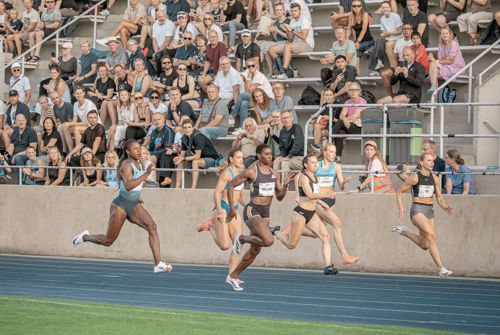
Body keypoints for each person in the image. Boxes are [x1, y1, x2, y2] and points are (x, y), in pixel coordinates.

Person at [72, 139, 173, 274]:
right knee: (108, 241)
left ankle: (158, 264)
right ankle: (85, 237)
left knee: (152, 227)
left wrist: (137, 196)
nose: (139, 151)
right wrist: (146, 174)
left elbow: (131, 187)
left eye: (140, 148)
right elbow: (128, 185)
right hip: (121, 206)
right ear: (127, 151)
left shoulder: (139, 163)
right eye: (135, 149)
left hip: (134, 204)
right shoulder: (127, 165)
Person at [225, 144, 293, 291]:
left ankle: (233, 276)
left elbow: (279, 197)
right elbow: (230, 185)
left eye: (270, 154)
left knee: (255, 251)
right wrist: (231, 209)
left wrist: (286, 186)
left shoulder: (275, 174)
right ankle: (241, 239)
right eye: (266, 154)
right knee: (268, 240)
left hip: (265, 213)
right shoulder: (251, 172)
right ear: (259, 155)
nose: (269, 156)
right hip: (252, 210)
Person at [394, 152, 453, 278]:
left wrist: (445, 207)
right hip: (417, 210)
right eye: (429, 160)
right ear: (421, 163)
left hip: (429, 210)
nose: (432, 163)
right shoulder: (415, 177)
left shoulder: (435, 178)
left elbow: (439, 198)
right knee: (432, 235)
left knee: (425, 244)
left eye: (433, 161)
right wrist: (400, 206)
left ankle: (403, 231)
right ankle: (441, 269)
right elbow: (399, 191)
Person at [274, 154, 335, 274]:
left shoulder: (315, 177)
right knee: (291, 245)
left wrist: (321, 203)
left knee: (325, 237)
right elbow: (310, 195)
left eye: (316, 162)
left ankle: (328, 266)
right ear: (305, 165)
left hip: (311, 214)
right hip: (301, 213)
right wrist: (326, 195)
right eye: (312, 162)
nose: (315, 164)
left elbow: (314, 195)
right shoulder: (303, 178)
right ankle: (275, 231)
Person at [197, 149, 246, 284]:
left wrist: (248, 205)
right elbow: (216, 193)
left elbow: (240, 196)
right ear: (231, 159)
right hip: (224, 208)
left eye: (242, 157)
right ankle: (210, 227)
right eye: (238, 157)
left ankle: (231, 275)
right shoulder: (226, 174)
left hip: (234, 211)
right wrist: (219, 210)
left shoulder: (241, 174)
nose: (241, 160)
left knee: (238, 243)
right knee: (224, 246)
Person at [174, 119, 221, 189]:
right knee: (180, 163)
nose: (187, 129)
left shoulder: (198, 137)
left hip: (211, 159)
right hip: (200, 158)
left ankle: (193, 187)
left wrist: (184, 158)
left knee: (195, 162)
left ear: (193, 128)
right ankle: (177, 187)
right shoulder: (184, 138)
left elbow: (197, 156)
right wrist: (179, 158)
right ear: (182, 129)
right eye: (185, 128)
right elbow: (182, 155)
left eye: (189, 127)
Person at [271, 3, 314, 80]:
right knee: (272, 49)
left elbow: (304, 37)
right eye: (292, 11)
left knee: (288, 46)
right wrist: (287, 31)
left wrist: (292, 30)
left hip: (307, 44)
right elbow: (290, 39)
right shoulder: (292, 21)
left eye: (295, 10)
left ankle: (284, 72)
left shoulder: (304, 20)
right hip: (295, 44)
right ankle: (279, 71)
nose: (294, 12)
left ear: (300, 11)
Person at [231, 58, 273, 129]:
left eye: (252, 65)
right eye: (249, 66)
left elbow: (250, 90)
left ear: (256, 66)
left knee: (243, 95)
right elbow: (248, 91)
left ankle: (233, 114)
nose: (250, 67)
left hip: (267, 99)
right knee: (244, 103)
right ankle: (242, 127)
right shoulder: (251, 75)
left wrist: (248, 78)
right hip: (257, 99)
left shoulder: (259, 76)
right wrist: (248, 78)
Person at [332, 81, 367, 160]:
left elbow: (354, 117)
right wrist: (345, 119)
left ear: (359, 91)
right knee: (340, 133)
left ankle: (327, 143)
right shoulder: (348, 101)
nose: (353, 91)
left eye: (356, 89)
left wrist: (344, 119)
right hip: (349, 126)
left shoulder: (362, 101)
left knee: (340, 122)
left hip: (359, 128)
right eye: (351, 89)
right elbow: (341, 115)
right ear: (348, 91)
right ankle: (338, 158)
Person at [427, 27, 465, 94]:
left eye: (447, 33)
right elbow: (441, 59)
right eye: (443, 33)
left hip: (456, 67)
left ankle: (433, 93)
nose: (445, 35)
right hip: (446, 66)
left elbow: (451, 60)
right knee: (433, 69)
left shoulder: (453, 43)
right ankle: (434, 95)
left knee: (433, 71)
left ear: (450, 34)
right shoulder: (441, 45)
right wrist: (438, 59)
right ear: (441, 35)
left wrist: (437, 61)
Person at [368, 2, 402, 74]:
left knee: (387, 45)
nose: (385, 9)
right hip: (389, 38)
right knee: (378, 41)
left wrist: (388, 33)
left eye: (387, 7)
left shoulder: (395, 16)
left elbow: (400, 31)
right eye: (383, 8)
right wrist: (385, 33)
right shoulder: (382, 18)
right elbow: (383, 32)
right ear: (381, 9)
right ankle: (379, 62)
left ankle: (393, 67)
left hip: (398, 38)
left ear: (390, 8)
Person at [143, 112, 176, 187]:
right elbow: (151, 147)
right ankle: (151, 182)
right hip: (156, 155)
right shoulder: (154, 131)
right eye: (155, 120)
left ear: (163, 120)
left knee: (153, 157)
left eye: (159, 119)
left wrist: (152, 154)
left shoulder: (168, 131)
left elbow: (167, 148)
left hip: (166, 154)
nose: (157, 121)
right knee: (145, 157)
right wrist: (147, 153)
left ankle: (155, 182)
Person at [347, 0, 374, 74]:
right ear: (352, 7)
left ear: (361, 7)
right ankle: (354, 70)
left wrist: (357, 42)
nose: (356, 8)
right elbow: (349, 29)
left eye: (358, 6)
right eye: (354, 6)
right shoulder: (351, 16)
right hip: (358, 41)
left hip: (368, 41)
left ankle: (356, 71)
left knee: (355, 49)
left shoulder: (365, 14)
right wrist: (345, 41)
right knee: (350, 48)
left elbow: (364, 29)